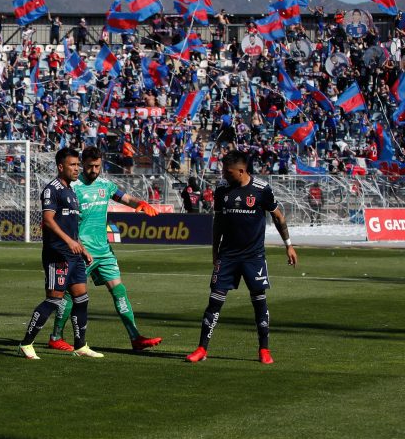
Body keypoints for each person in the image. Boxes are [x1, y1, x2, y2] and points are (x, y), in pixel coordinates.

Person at [186, 150, 298, 365]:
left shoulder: (261, 190)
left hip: (253, 257)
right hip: (227, 256)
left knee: (259, 302)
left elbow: (278, 216)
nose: (224, 175)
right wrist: (215, 250)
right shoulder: (221, 190)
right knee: (214, 302)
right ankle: (201, 348)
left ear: (241, 170)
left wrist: (288, 246)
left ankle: (264, 349)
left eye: (228, 172)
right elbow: (218, 221)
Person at [47, 147, 163, 352]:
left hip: (104, 251)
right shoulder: (72, 187)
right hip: (82, 251)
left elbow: (125, 198)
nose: (94, 170)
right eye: (90, 166)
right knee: (69, 295)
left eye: (97, 166)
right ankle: (56, 336)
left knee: (119, 291)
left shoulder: (105, 185)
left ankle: (135, 337)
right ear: (82, 164)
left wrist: (141, 203)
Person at [17, 147, 97, 360]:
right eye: (72, 165)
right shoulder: (52, 189)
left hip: (74, 254)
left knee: (81, 298)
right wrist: (70, 242)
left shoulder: (71, 191)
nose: (76, 168)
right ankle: (26, 343)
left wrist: (82, 247)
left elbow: (71, 226)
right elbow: (49, 221)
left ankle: (81, 345)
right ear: (61, 167)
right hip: (57, 254)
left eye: (77, 165)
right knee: (53, 300)